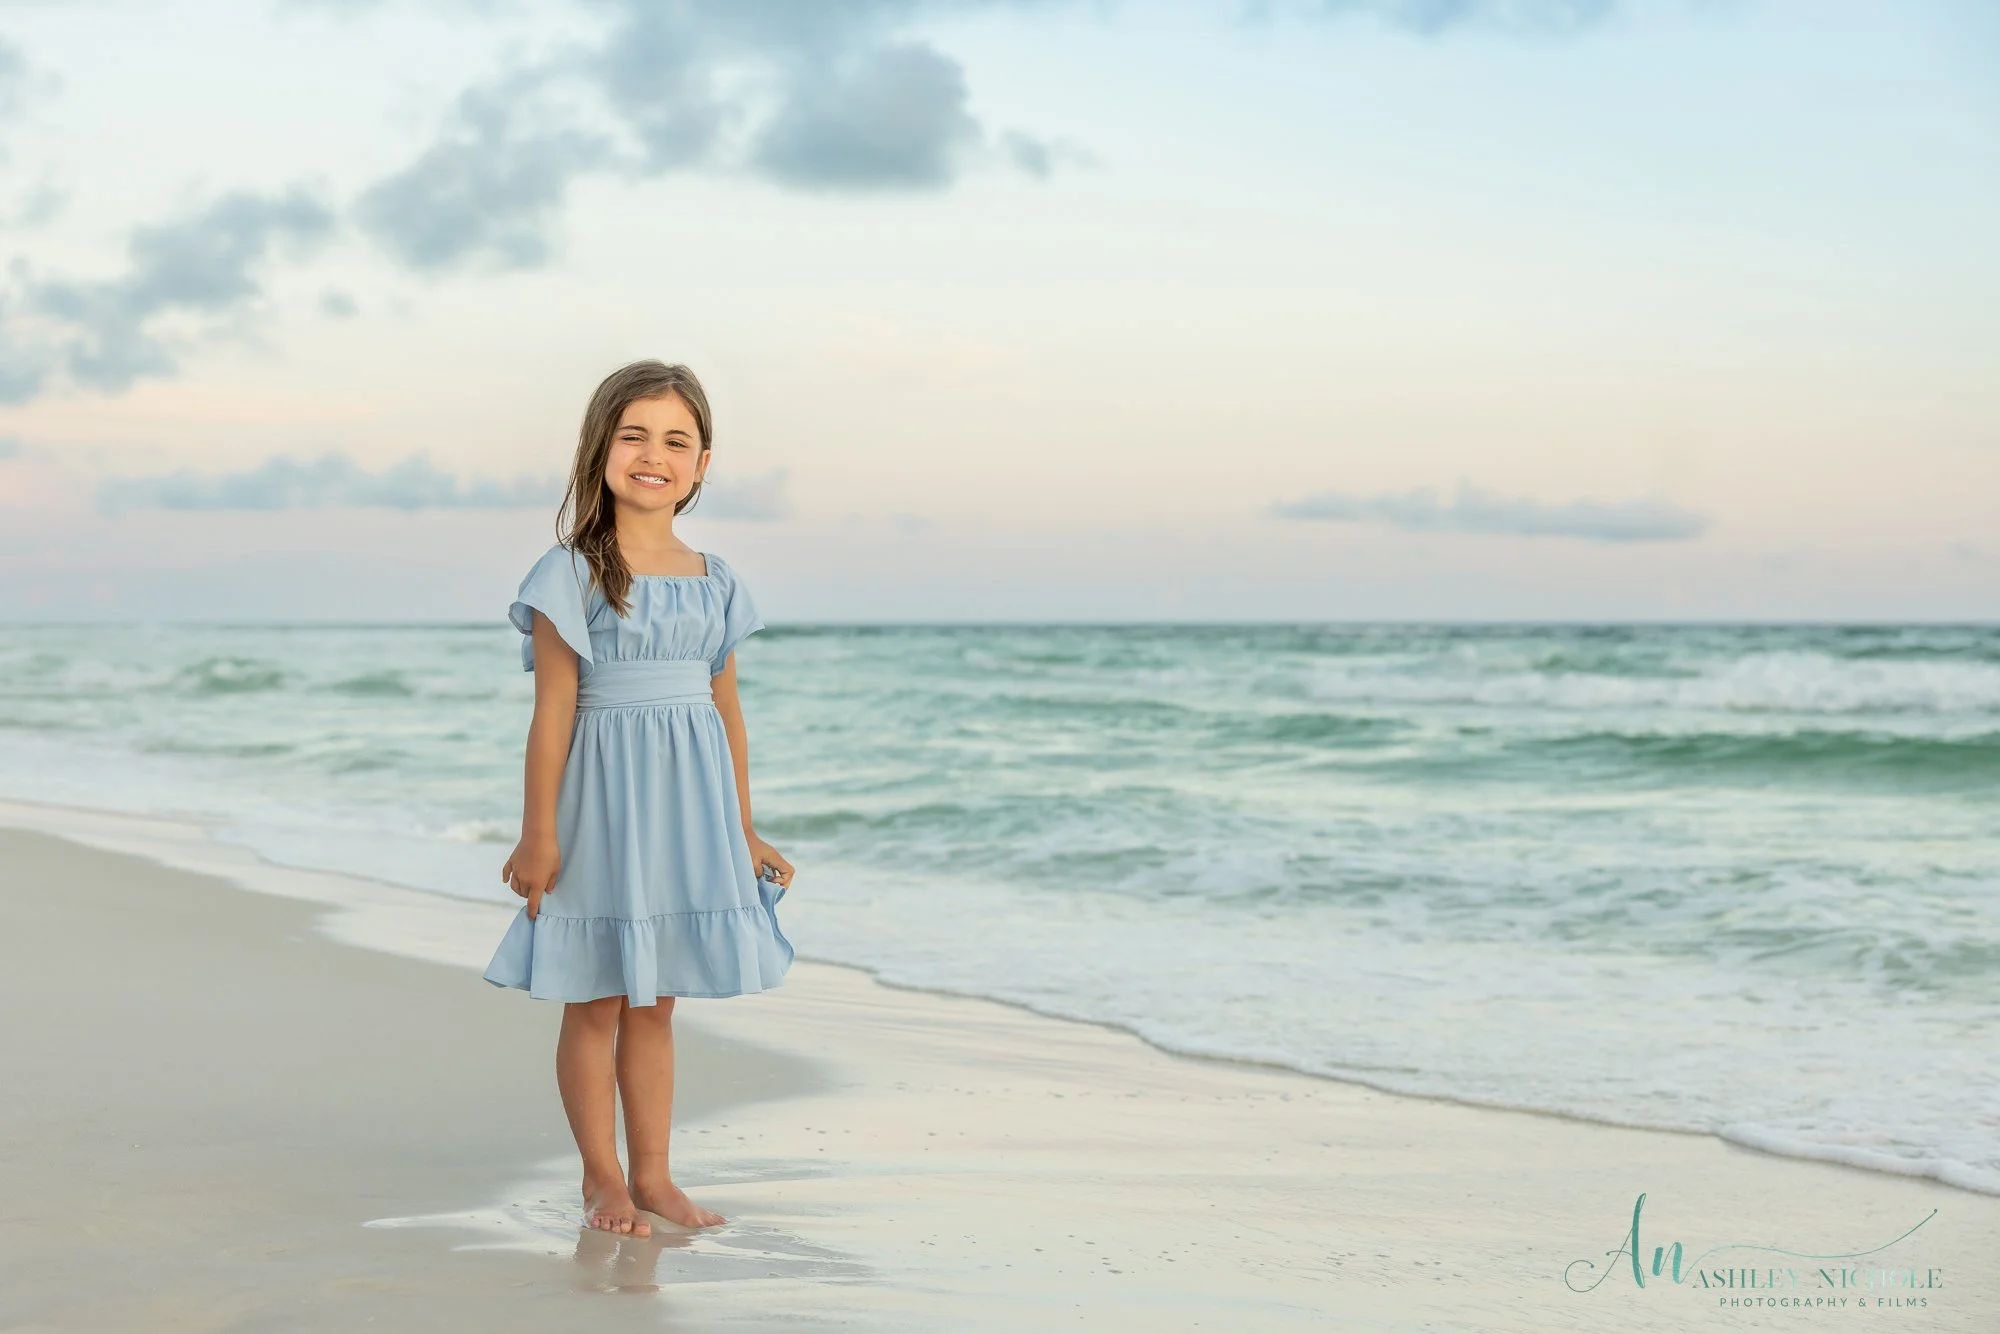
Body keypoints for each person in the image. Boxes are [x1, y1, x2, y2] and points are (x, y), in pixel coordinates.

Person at [482, 359, 796, 1237]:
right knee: (597, 997)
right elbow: (550, 717)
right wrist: (537, 835)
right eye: (634, 435)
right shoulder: (569, 573)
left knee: (657, 1003)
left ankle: (655, 1177)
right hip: (602, 806)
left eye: (675, 440)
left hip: (689, 810)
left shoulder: (717, 579)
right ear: (600, 449)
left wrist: (742, 831)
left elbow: (726, 714)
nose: (653, 454)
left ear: (701, 464)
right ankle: (602, 1180)